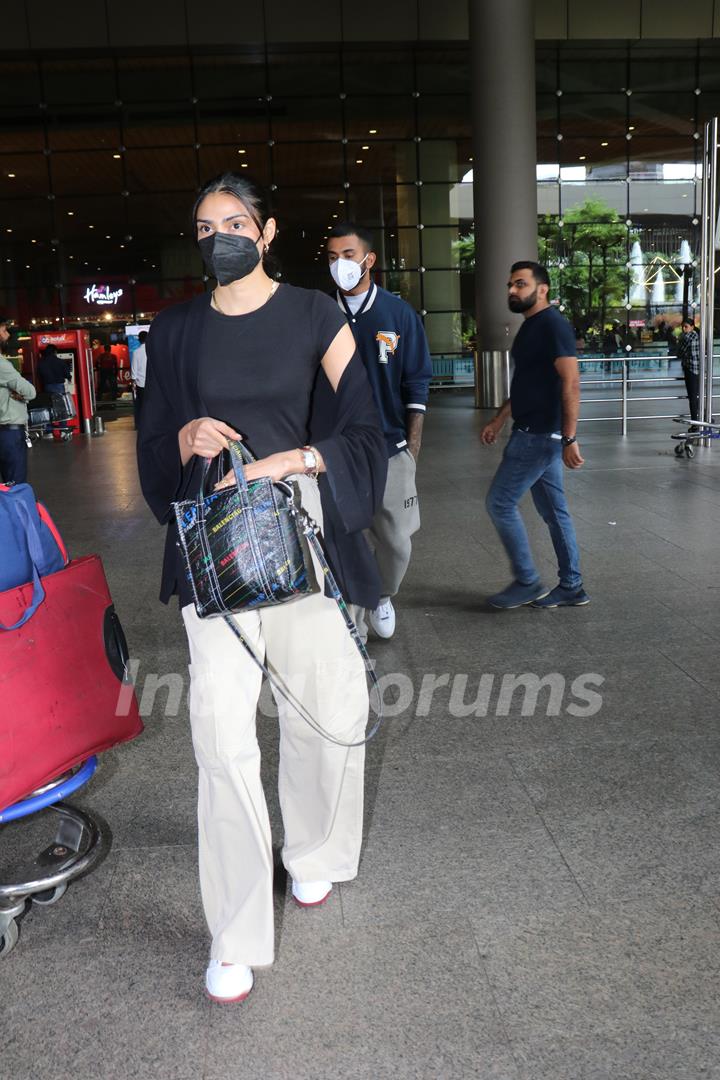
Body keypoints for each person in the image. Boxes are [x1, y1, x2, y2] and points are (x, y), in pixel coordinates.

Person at [137, 174, 386, 1005]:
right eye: (205, 228)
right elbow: (150, 445)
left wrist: (304, 458)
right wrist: (182, 435)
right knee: (221, 739)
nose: (220, 239)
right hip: (218, 555)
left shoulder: (318, 314)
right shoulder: (173, 333)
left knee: (327, 711)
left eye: (234, 223)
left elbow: (364, 426)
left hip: (303, 541)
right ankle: (236, 929)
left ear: (268, 229)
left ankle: (311, 849)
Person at [326, 223, 432, 640]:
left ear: (369, 260)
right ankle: (356, 611)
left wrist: (413, 450)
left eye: (348, 255)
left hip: (391, 447)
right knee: (345, 537)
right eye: (333, 257)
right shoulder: (320, 313)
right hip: (338, 450)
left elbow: (416, 384)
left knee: (397, 542)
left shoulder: (399, 314)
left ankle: (383, 593)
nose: (340, 265)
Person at [481, 261, 589, 610]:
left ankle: (527, 581)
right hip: (534, 432)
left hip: (539, 436)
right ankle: (572, 586)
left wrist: (569, 437)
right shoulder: (530, 327)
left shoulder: (553, 325)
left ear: (542, 289)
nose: (512, 290)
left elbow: (571, 381)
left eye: (521, 284)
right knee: (555, 513)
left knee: (499, 502)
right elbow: (528, 384)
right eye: (511, 284)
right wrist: (499, 420)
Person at [0, 317, 36, 483]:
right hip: (8, 432)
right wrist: (17, 391)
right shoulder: (2, 365)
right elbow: (30, 392)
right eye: (4, 330)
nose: (7, 335)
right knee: (15, 484)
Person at [37, 344, 71, 439]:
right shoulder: (60, 362)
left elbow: (39, 375)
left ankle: (49, 432)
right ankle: (63, 430)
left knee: (48, 410)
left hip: (47, 387)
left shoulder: (41, 363)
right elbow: (67, 374)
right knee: (61, 410)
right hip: (59, 387)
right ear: (55, 352)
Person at [677, 316, 701, 424]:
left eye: (686, 327)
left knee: (692, 397)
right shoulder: (697, 336)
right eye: (683, 327)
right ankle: (700, 420)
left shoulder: (687, 337)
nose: (684, 329)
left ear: (692, 327)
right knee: (695, 395)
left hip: (690, 369)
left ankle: (695, 422)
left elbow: (679, 353)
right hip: (698, 369)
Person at [130, 330, 147, 429]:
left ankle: (141, 425)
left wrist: (133, 383)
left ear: (139, 340)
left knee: (141, 405)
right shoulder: (153, 351)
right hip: (153, 384)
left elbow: (134, 370)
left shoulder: (136, 352)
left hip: (141, 384)